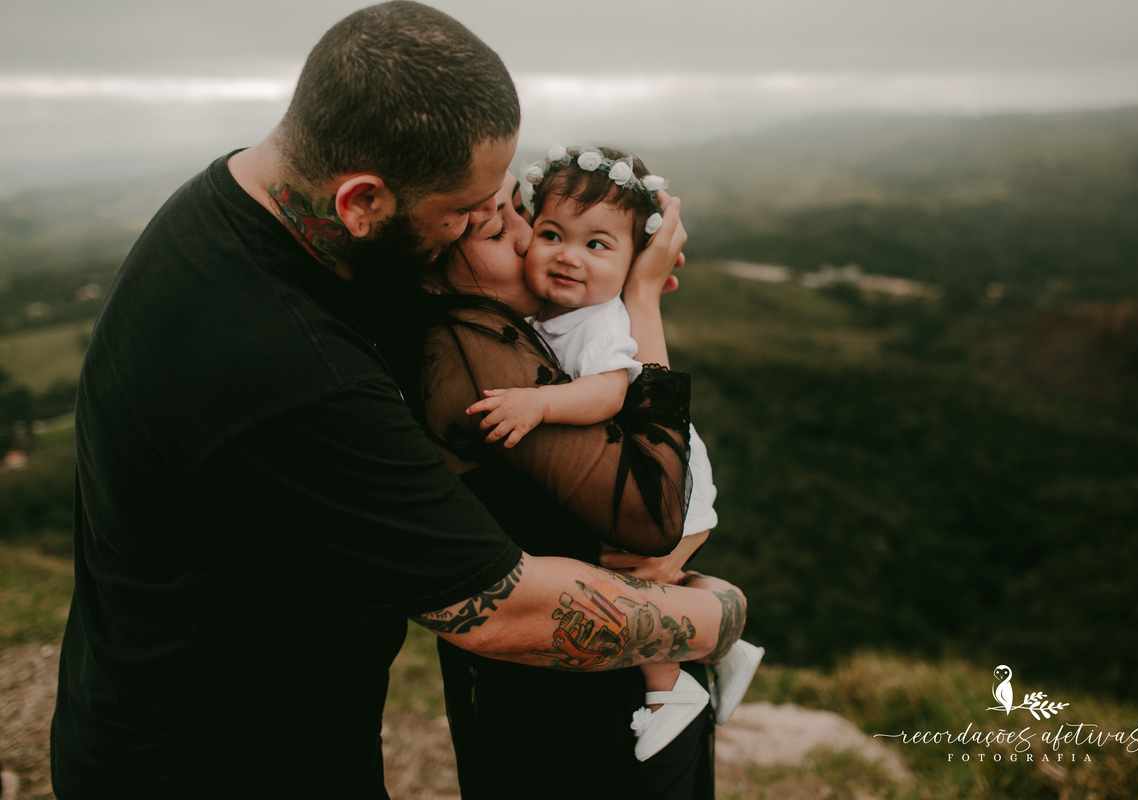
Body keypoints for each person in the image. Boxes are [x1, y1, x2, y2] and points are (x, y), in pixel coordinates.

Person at [49, 4, 745, 799]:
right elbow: (500, 610)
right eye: (466, 213)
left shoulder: (251, 207)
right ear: (362, 203)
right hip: (212, 764)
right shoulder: (286, 364)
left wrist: (619, 295)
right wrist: (716, 614)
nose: (497, 222)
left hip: (189, 718)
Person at [376, 165, 725, 797]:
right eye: (492, 229)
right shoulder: (476, 355)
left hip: (558, 680)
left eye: (517, 210)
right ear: (438, 264)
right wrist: (640, 301)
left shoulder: (508, 334)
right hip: (582, 704)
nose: (523, 233)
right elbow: (653, 512)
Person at [464, 145, 765, 761]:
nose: (567, 256)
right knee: (655, 577)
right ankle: (729, 649)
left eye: (597, 246)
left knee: (631, 577)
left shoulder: (602, 322)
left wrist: (538, 405)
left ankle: (669, 691)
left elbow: (610, 392)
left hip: (667, 482)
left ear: (632, 267)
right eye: (550, 234)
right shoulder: (549, 314)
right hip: (645, 471)